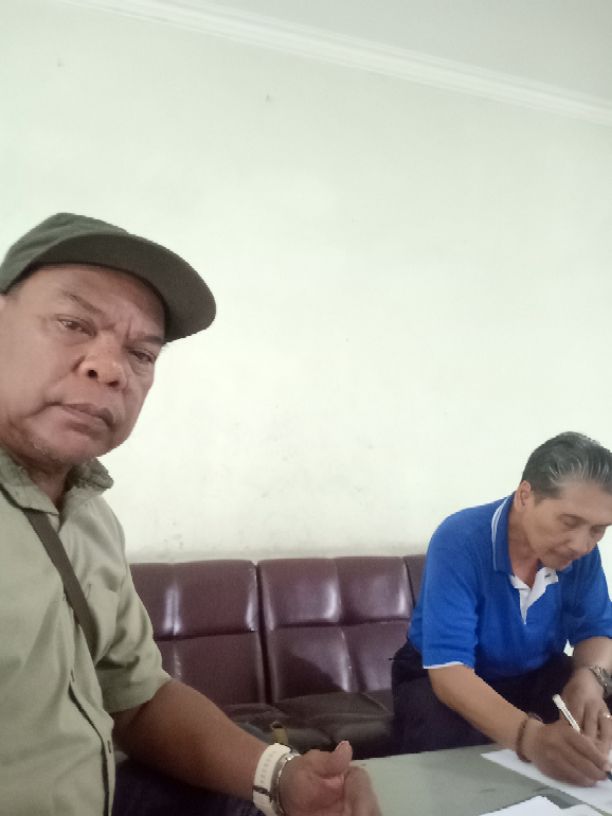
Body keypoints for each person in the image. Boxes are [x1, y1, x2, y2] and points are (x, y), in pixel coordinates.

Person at [0, 213, 381, 816]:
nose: (110, 367)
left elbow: (137, 700)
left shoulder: (89, 517)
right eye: (73, 324)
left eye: (141, 353)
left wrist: (282, 778)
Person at [392, 431, 612, 786]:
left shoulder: (581, 554)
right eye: (569, 522)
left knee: (596, 709)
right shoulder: (460, 540)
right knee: (445, 741)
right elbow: (450, 672)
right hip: (444, 675)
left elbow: (596, 630)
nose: (581, 544)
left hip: (534, 670)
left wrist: (590, 678)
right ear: (525, 496)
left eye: (598, 530)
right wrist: (531, 740)